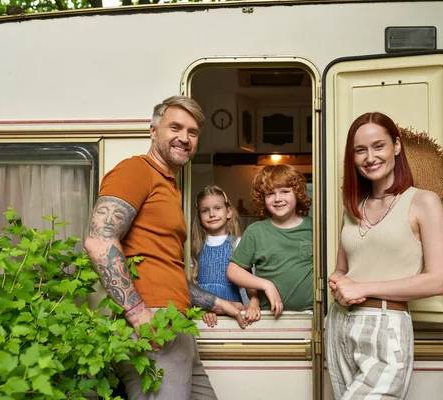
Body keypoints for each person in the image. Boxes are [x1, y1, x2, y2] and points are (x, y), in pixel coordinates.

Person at [83, 95, 246, 400]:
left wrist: (220, 304)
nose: (184, 138)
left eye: (193, 132)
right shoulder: (135, 170)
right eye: (175, 127)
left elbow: (167, 268)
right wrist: (138, 313)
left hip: (176, 325)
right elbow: (99, 241)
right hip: (153, 326)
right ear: (153, 131)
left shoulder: (168, 186)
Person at [325, 112, 443, 399]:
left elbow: (437, 282)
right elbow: (341, 270)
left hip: (386, 323)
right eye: (360, 150)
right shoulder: (354, 207)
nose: (370, 157)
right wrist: (338, 283)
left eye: (378, 146)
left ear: (396, 146)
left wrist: (362, 288)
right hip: (340, 322)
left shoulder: (423, 201)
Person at [226, 164, 314, 325]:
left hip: (309, 316)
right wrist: (266, 285)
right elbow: (234, 271)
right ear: (263, 198)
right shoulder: (256, 232)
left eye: (285, 192)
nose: (278, 199)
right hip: (267, 317)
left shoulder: (314, 228)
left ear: (298, 193)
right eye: (270, 194)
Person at [191, 185, 246, 327]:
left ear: (229, 212)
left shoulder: (238, 244)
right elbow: (188, 285)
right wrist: (204, 308)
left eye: (217, 208)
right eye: (205, 210)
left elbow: (247, 284)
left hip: (233, 306)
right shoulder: (194, 247)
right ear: (199, 217)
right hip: (203, 311)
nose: (212, 214)